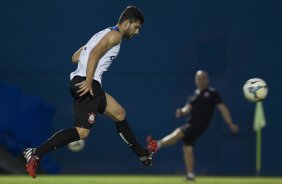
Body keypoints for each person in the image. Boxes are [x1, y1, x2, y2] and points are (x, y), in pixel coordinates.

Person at [23, 6, 157, 178]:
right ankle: (35, 153)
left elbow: (75, 57)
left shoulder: (103, 33)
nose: (137, 32)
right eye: (136, 27)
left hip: (88, 82)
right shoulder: (115, 36)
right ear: (126, 23)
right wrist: (88, 81)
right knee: (82, 131)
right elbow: (93, 54)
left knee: (119, 113)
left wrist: (88, 62)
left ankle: (143, 155)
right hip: (87, 82)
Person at [149, 70, 239, 181]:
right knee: (187, 147)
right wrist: (181, 112)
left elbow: (222, 108)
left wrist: (230, 123)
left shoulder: (212, 93)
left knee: (178, 133)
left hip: (200, 125)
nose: (201, 80)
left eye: (204, 78)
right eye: (199, 78)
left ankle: (156, 146)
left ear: (207, 79)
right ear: (196, 80)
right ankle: (190, 174)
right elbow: (187, 109)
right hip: (191, 123)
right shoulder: (193, 94)